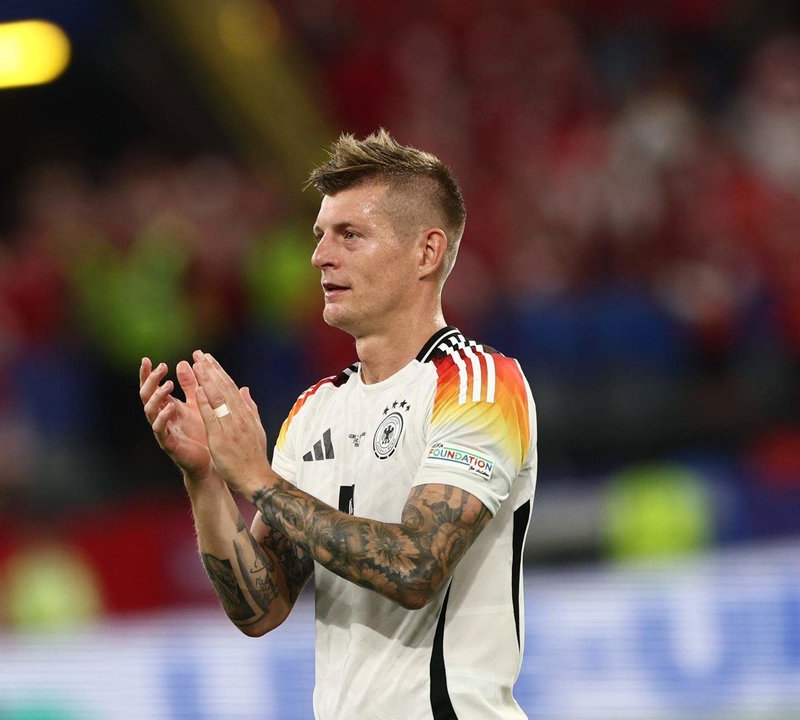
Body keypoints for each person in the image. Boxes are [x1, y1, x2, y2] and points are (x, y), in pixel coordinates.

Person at [139, 129, 537, 720]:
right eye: (321, 236)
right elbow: (261, 607)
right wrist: (205, 479)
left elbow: (417, 567)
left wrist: (258, 479)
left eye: (350, 235)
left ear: (426, 253)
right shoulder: (314, 410)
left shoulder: (479, 384)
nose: (321, 255)